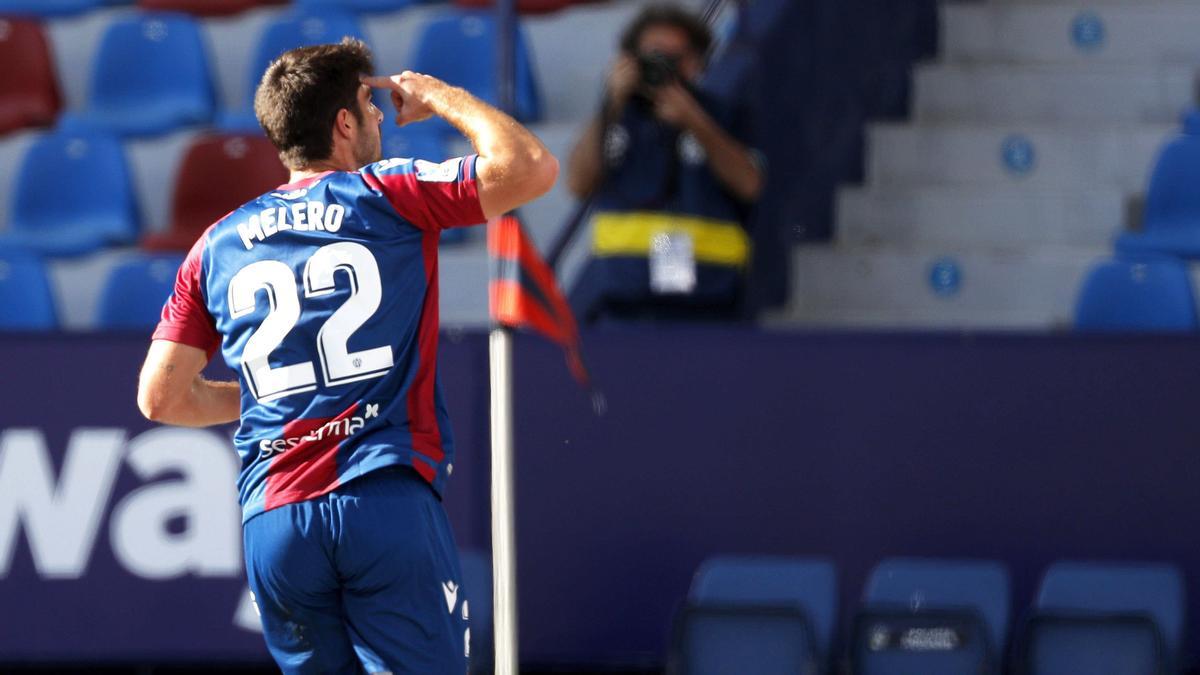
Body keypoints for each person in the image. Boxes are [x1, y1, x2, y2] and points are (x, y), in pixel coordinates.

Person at [135, 38, 557, 674]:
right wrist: (441, 96)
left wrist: (265, 398)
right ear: (344, 124)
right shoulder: (389, 192)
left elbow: (160, 397)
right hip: (379, 497)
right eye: (372, 105)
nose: (383, 116)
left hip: (275, 517)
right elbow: (528, 166)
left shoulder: (214, 245)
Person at [566, 3, 763, 323]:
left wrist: (696, 122)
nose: (665, 67)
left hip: (711, 306)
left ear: (698, 63)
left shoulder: (722, 115)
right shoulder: (615, 118)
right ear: (630, 60)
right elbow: (578, 182)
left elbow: (751, 184)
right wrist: (612, 102)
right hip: (624, 305)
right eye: (655, 56)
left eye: (677, 58)